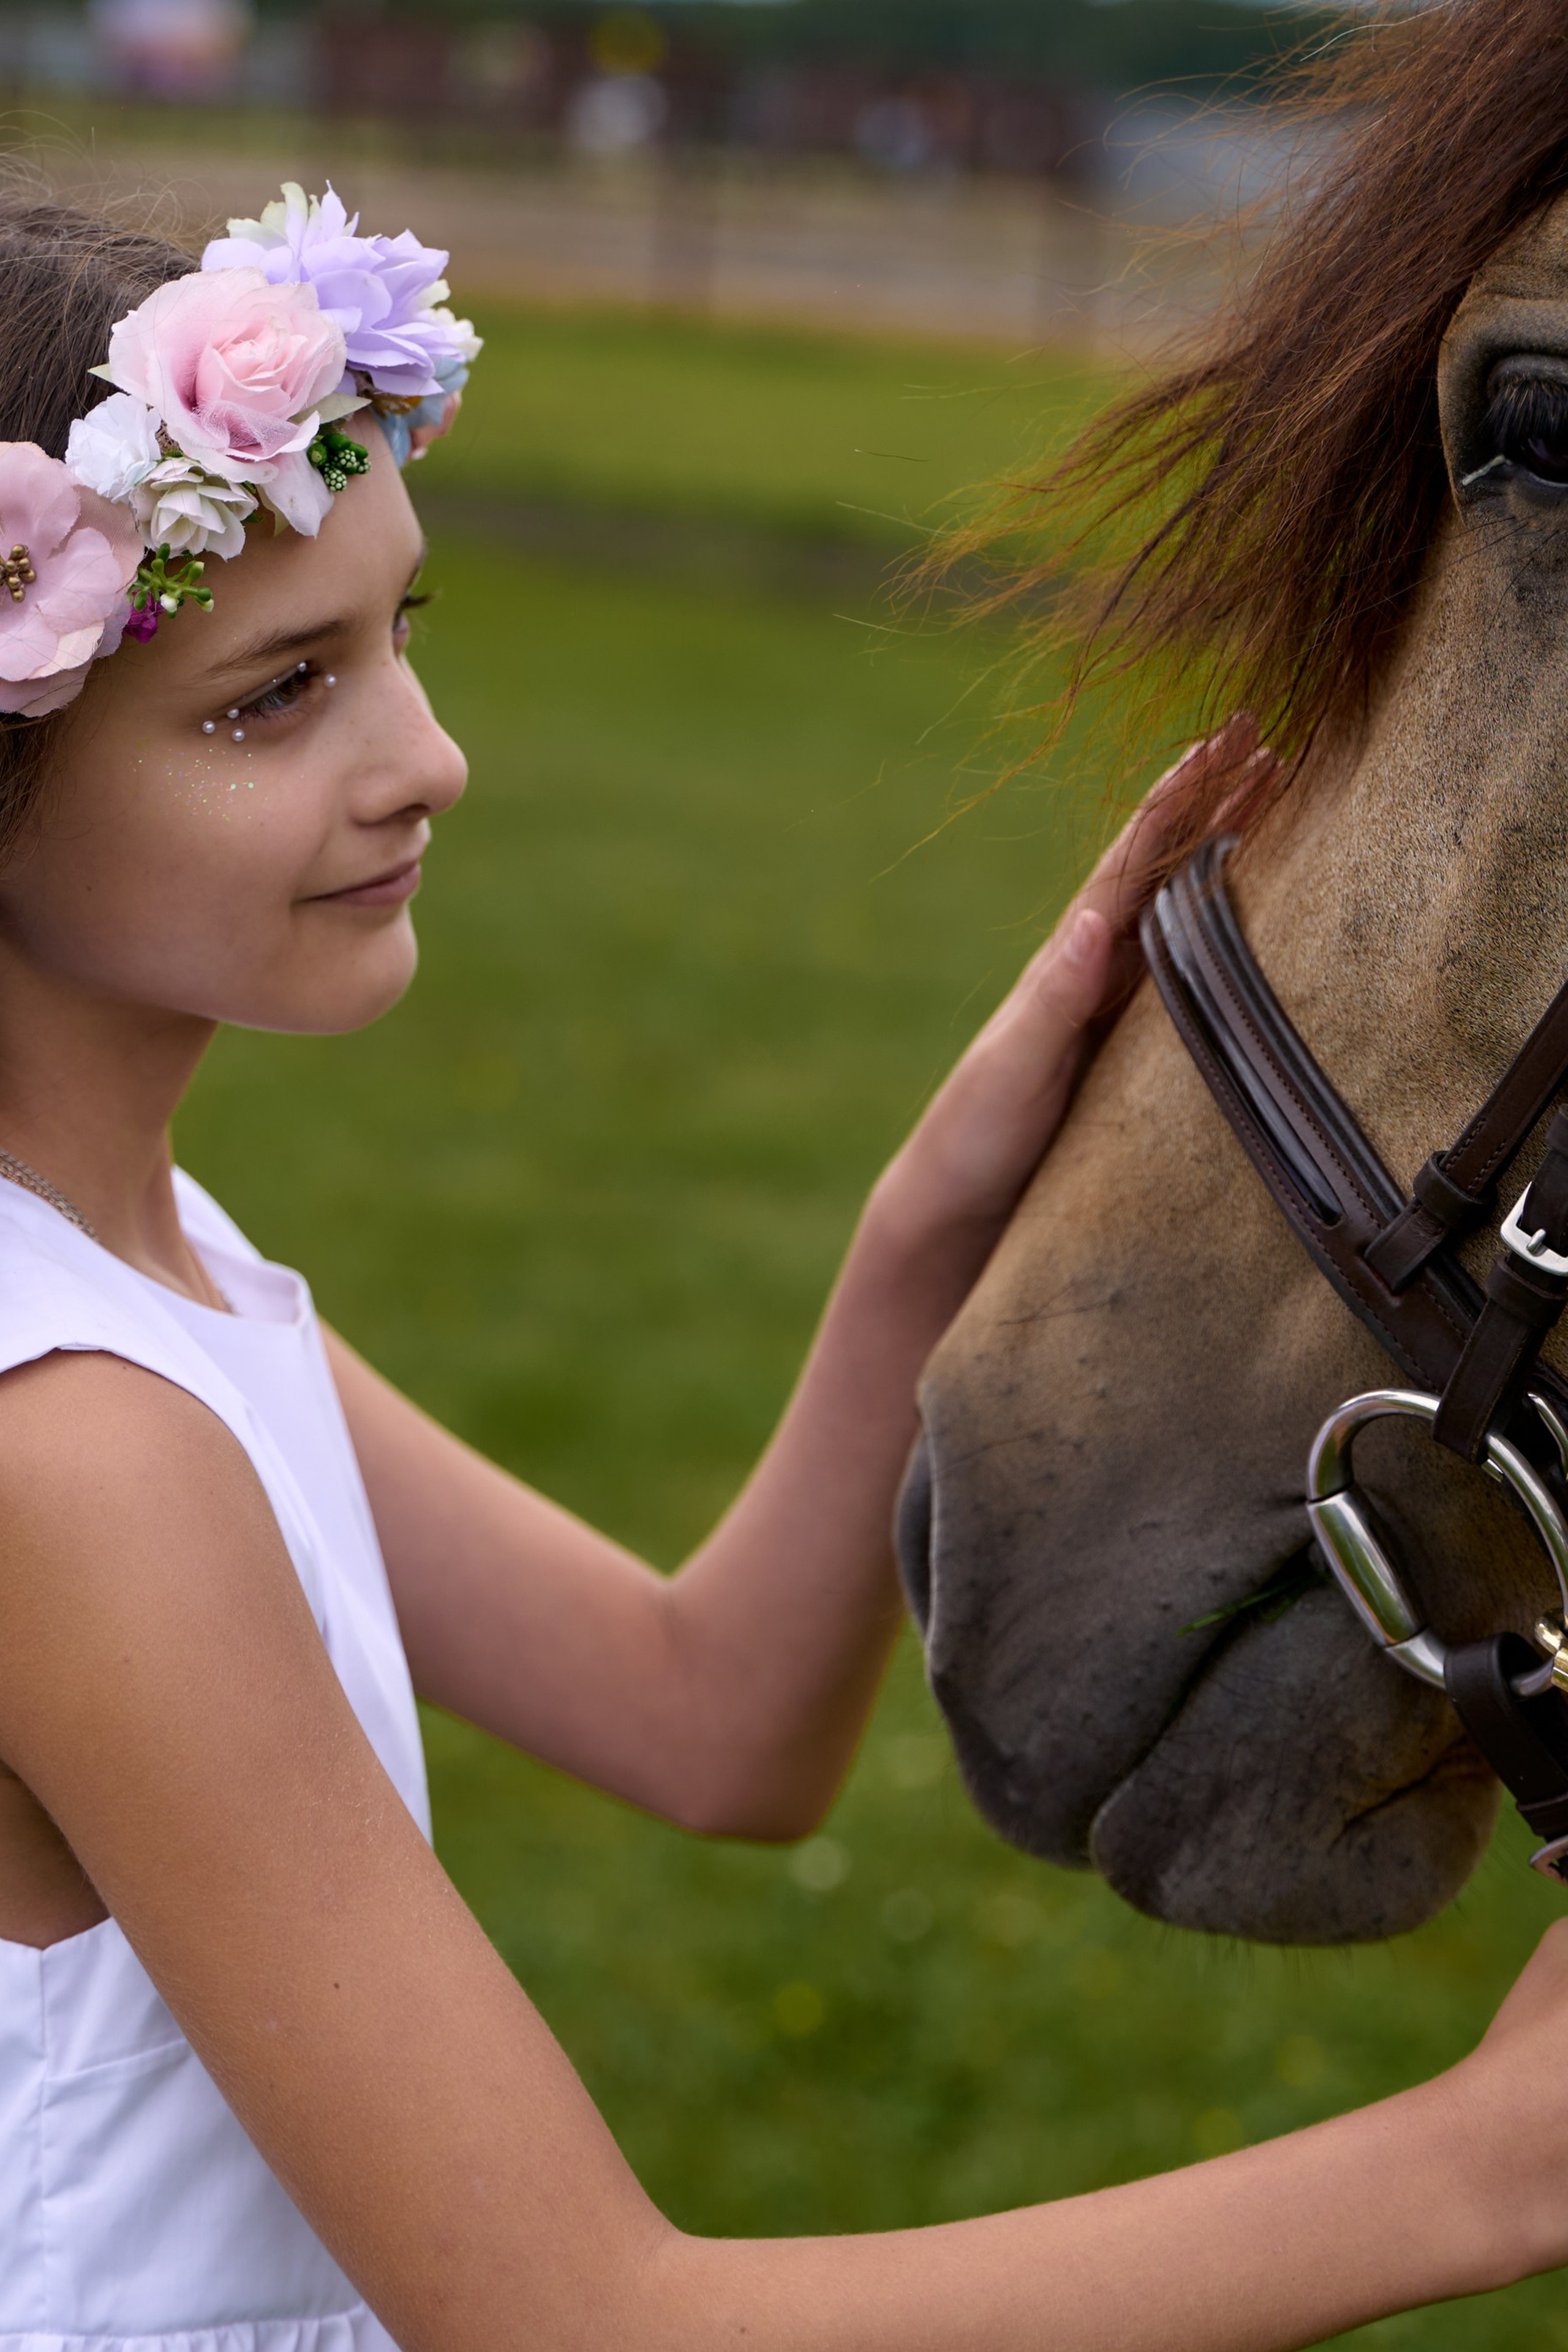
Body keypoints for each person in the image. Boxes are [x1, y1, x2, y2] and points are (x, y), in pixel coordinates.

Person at [0, 176, 1562, 2352]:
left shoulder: (152, 1289)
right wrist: (1492, 2162)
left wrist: (935, 1206)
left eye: (402, 640)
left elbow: (712, 1723)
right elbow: (579, 2319)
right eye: (275, 701)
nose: (426, 763)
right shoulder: (70, 1455)